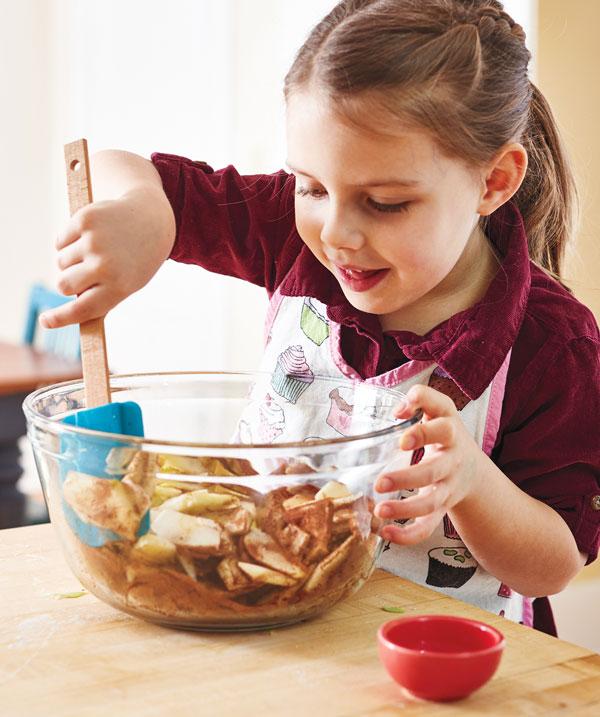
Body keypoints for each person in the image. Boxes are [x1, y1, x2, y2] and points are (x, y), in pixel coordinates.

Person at [41, 0, 599, 635]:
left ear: (493, 181)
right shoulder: (291, 231)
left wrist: (472, 481)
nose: (336, 233)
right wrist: (144, 210)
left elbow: (555, 564)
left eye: (386, 203)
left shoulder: (555, 344)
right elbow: (126, 168)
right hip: (278, 625)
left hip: (443, 663)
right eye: (310, 186)